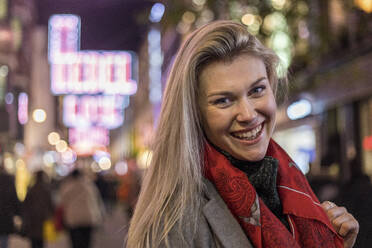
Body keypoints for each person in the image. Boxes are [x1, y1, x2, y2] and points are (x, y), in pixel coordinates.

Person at [127, 20, 359, 248]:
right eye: (223, 100)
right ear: (194, 114)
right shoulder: (174, 223)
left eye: (257, 90)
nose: (247, 114)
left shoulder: (286, 187)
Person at [59, 169, 105, 248]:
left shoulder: (67, 187)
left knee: (75, 243)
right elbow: (97, 201)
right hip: (88, 218)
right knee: (86, 242)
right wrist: (100, 215)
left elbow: (62, 203)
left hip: (73, 219)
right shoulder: (89, 185)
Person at [22, 170, 54, 248]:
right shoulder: (46, 190)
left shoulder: (31, 190)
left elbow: (25, 205)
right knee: (41, 242)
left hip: (32, 220)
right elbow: (51, 205)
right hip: (43, 220)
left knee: (34, 242)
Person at [0, 165, 20, 248]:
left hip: (6, 215)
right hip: (6, 215)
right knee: (4, 240)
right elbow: (14, 198)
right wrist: (18, 213)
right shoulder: (9, 180)